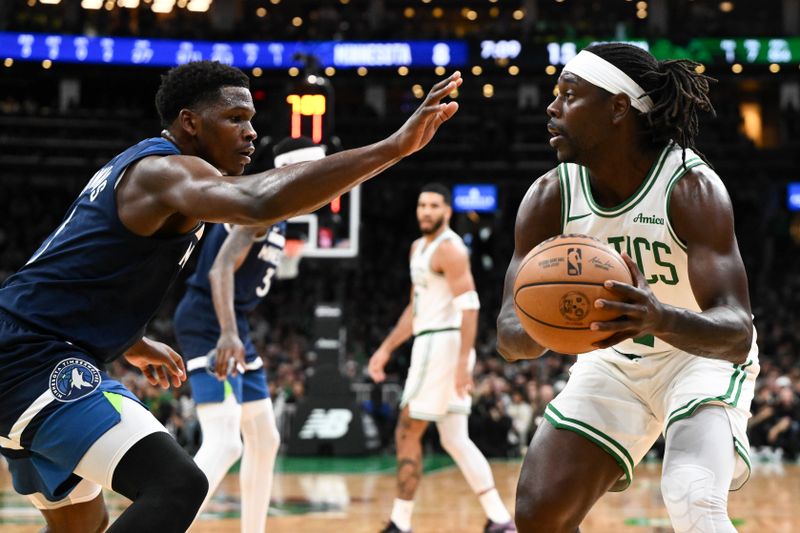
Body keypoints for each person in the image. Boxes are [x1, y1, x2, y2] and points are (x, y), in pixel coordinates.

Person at [0, 60, 461, 533]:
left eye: (252, 121)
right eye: (235, 119)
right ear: (190, 122)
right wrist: (393, 147)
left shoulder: (145, 169)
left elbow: (79, 266)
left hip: (33, 344)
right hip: (32, 359)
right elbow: (260, 202)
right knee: (176, 483)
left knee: (81, 525)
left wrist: (133, 342)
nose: (251, 133)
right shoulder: (166, 172)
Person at [496, 43, 759, 533]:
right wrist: (549, 322)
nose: (552, 108)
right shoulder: (549, 196)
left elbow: (736, 331)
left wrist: (658, 317)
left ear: (618, 106)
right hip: (613, 360)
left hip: (696, 355)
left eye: (569, 96)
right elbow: (510, 336)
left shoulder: (689, 187)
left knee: (692, 495)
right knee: (539, 514)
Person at [172, 135, 324, 532]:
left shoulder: (281, 211)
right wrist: (227, 335)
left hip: (231, 323)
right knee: (225, 443)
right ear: (295, 171)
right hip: (210, 323)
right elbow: (219, 269)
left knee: (265, 437)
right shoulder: (263, 207)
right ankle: (159, 523)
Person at [368, 183, 515, 533]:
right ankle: (500, 519)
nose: (426, 211)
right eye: (422, 205)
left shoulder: (450, 250)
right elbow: (416, 309)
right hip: (434, 341)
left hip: (441, 346)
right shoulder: (418, 248)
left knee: (407, 430)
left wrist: (464, 363)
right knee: (454, 439)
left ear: (447, 211)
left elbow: (471, 307)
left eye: (434, 205)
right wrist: (386, 348)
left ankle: (400, 523)